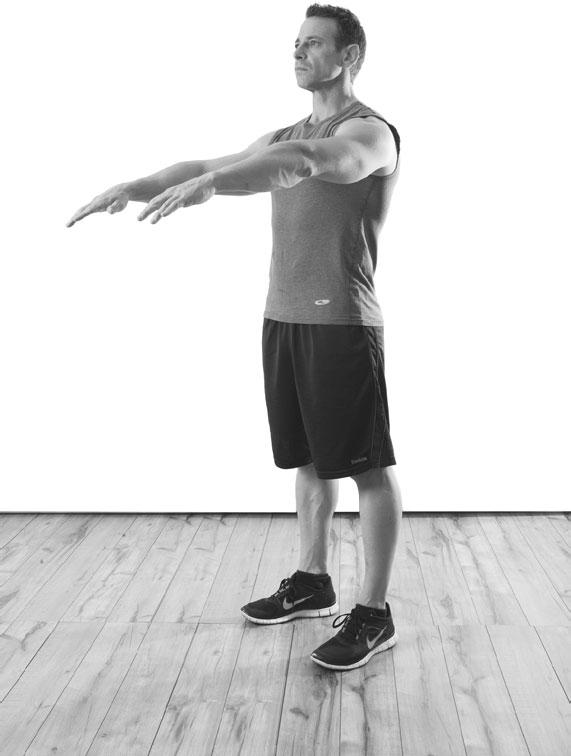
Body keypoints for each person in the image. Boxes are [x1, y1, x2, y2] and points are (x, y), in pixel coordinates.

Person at [66, 3, 403, 672]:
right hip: (283, 317)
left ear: (349, 56)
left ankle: (373, 614)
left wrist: (217, 184)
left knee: (366, 466)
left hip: (342, 322)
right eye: (296, 43)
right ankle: (312, 581)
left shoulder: (370, 133)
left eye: (313, 43)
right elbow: (211, 161)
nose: (298, 52)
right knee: (307, 460)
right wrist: (137, 185)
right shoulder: (281, 132)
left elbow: (306, 162)